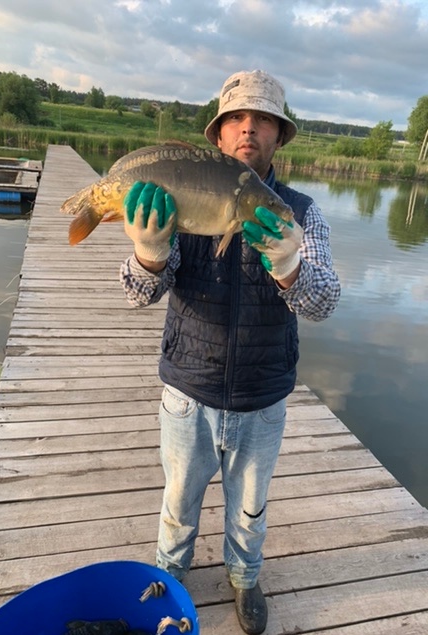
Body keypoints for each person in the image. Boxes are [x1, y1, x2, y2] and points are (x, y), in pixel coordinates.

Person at [120, 69, 341, 634]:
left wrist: (291, 266)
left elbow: (324, 302)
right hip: (188, 389)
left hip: (262, 397)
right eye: (237, 118)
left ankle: (244, 577)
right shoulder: (180, 188)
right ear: (218, 134)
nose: (249, 129)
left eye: (263, 119)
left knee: (250, 507)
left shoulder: (299, 212)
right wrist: (148, 253)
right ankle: (169, 576)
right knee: (177, 503)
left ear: (279, 136)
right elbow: (139, 293)